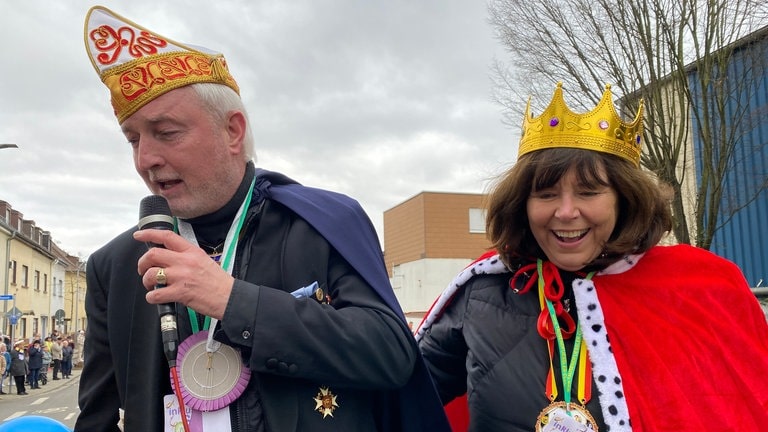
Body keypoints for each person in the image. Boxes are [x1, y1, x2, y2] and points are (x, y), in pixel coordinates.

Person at [76, 6, 448, 432]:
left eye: (167, 133)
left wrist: (234, 301)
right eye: (133, 139)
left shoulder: (325, 224)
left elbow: (391, 355)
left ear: (233, 131)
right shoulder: (115, 265)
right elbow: (99, 417)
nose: (146, 160)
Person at [416, 82, 768, 431]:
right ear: (522, 204)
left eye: (589, 192)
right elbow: (397, 394)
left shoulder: (699, 287)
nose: (566, 212)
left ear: (624, 198)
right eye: (547, 194)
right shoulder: (482, 291)